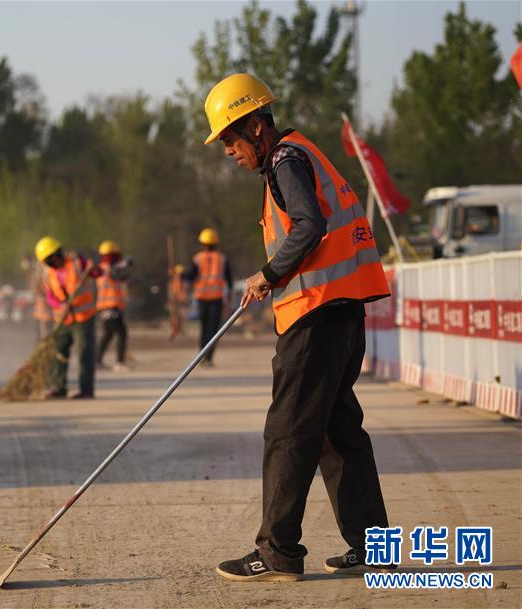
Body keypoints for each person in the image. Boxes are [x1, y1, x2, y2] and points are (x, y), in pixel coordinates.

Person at [203, 73, 392, 581]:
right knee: (338, 431)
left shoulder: (286, 160)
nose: (228, 151)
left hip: (315, 318)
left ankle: (277, 552)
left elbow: (309, 225)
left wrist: (268, 274)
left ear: (255, 127)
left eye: (229, 138)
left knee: (288, 432)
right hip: (342, 313)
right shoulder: (302, 154)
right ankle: (375, 548)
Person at [35, 235, 100, 399]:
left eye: (51, 259)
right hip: (63, 320)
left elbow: (97, 273)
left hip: (83, 318)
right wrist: (60, 304)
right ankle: (59, 387)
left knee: (84, 352)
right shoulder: (47, 274)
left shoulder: (78, 263)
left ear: (58, 253)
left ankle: (86, 390)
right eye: (47, 261)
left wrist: (94, 268)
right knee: (58, 351)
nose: (51, 263)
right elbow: (50, 296)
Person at [179, 228, 232, 367]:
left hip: (202, 298)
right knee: (213, 330)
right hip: (216, 299)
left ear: (202, 243)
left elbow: (191, 276)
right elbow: (229, 279)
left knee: (204, 329)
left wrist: (179, 274)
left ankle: (202, 357)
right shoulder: (222, 259)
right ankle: (208, 358)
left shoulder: (197, 258)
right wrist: (229, 297)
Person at [95, 240, 132, 372]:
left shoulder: (101, 268)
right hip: (111, 308)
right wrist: (125, 263)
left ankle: (97, 360)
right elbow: (117, 272)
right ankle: (119, 362)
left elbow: (120, 275)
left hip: (105, 307)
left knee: (108, 334)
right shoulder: (109, 268)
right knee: (122, 333)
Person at [167, 264, 190, 340]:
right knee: (174, 317)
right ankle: (175, 330)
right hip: (175, 301)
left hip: (182, 301)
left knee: (182, 316)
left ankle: (182, 330)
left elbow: (185, 289)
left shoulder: (183, 281)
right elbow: (171, 291)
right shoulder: (173, 281)